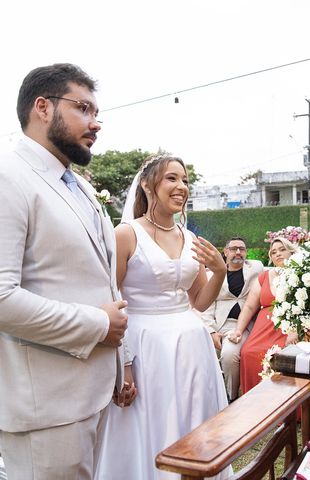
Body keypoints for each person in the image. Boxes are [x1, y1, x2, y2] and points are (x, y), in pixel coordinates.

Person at [0, 63, 133, 479]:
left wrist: (119, 362)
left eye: (96, 112)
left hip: (93, 390)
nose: (96, 123)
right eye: (83, 108)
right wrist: (96, 324)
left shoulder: (80, 185)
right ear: (42, 107)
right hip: (43, 403)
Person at [95, 154, 230, 480]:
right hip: (145, 348)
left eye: (184, 180)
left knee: (192, 422)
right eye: (171, 178)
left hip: (190, 348)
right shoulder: (126, 234)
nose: (181, 186)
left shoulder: (189, 237)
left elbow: (198, 301)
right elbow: (113, 300)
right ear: (147, 184)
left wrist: (220, 272)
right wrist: (122, 365)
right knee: (149, 427)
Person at [229, 237, 298, 395]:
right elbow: (250, 306)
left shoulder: (302, 274)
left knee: (283, 355)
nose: (277, 254)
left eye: (282, 250)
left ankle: (286, 406)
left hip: (289, 326)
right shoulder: (264, 276)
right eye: (273, 252)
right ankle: (253, 401)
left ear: (291, 252)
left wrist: (295, 330)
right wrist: (239, 330)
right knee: (248, 352)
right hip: (264, 327)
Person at [200, 237, 264, 401]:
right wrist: (211, 331)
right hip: (222, 324)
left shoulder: (256, 268)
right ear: (225, 252)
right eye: (234, 248)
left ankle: (232, 398)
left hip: (250, 324)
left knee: (229, 353)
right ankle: (223, 396)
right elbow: (206, 307)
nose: (238, 252)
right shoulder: (213, 275)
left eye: (242, 249)